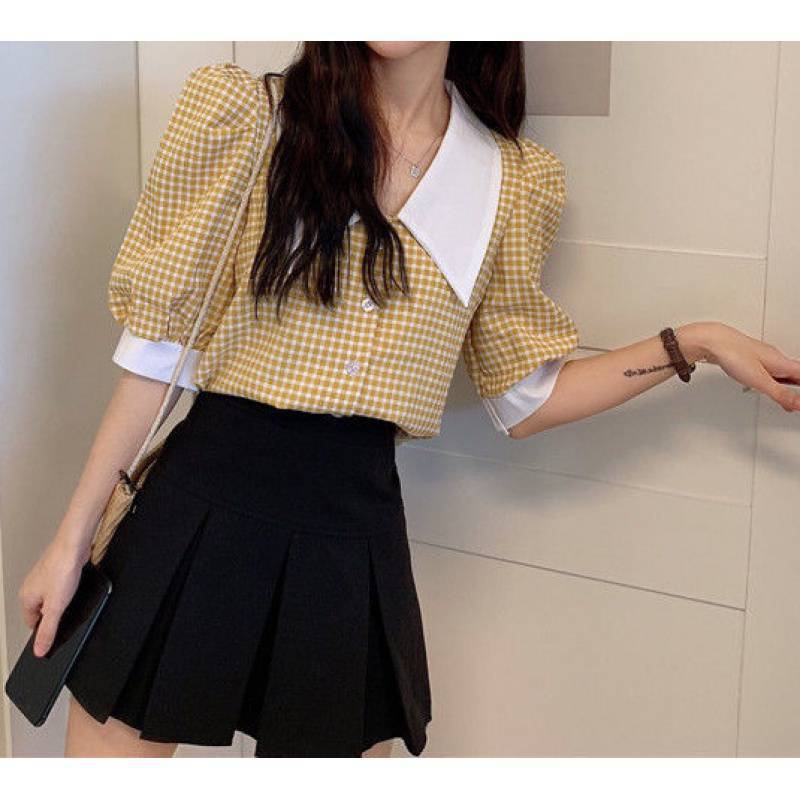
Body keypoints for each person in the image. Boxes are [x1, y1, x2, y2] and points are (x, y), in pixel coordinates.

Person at [17, 41, 800, 759]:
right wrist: (70, 543)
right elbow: (158, 359)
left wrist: (692, 343)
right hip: (196, 509)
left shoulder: (506, 181)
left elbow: (526, 399)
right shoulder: (252, 119)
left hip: (349, 539)